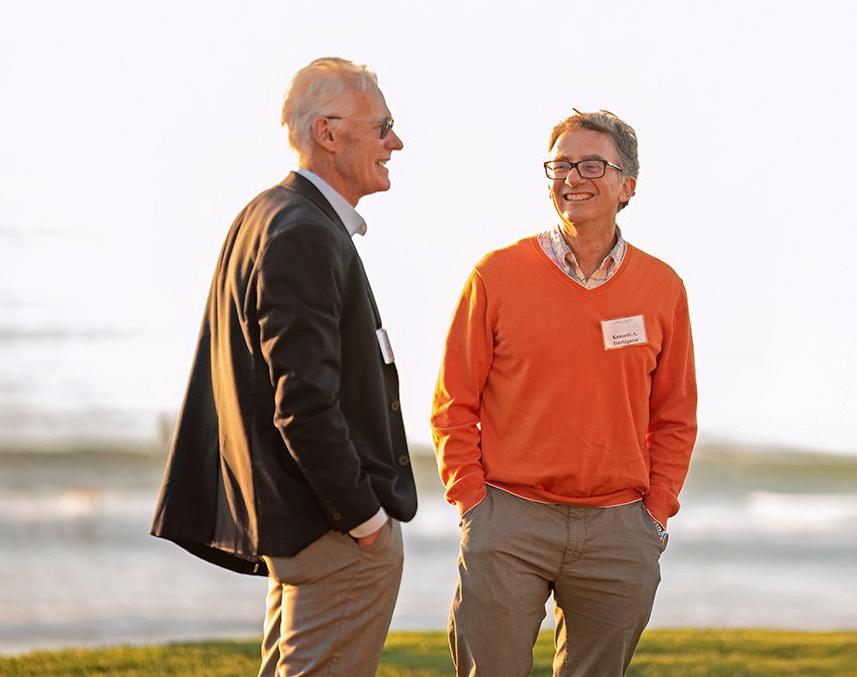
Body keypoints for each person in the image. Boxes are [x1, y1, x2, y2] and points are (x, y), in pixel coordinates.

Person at [151, 57, 417, 677]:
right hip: (332, 533)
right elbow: (301, 404)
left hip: (308, 526)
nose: (395, 143)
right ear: (328, 133)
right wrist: (365, 521)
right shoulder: (302, 232)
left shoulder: (271, 214)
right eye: (382, 126)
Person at [431, 109, 698, 677]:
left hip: (620, 530)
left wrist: (655, 515)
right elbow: (454, 403)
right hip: (508, 520)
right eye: (560, 165)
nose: (572, 177)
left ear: (628, 184)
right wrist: (472, 502)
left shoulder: (663, 287)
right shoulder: (496, 275)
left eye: (591, 165)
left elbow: (675, 415)